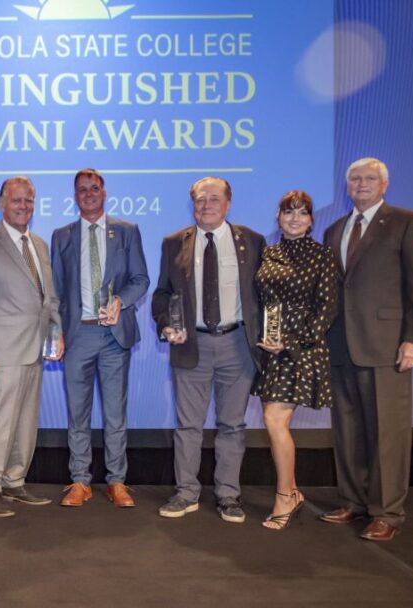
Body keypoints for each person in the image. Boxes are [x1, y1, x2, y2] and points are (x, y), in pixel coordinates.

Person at [321, 158, 413, 541]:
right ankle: (353, 502)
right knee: (348, 430)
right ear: (347, 186)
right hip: (341, 345)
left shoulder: (406, 222)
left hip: (388, 346)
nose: (361, 184)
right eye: (355, 179)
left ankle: (387, 512)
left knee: (388, 432)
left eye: (370, 178)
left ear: (384, 184)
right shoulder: (335, 229)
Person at [151, 176, 265, 523]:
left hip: (237, 345)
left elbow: (265, 295)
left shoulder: (252, 241)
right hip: (191, 345)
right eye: (200, 200)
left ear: (228, 204)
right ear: (193, 205)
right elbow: (161, 294)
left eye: (214, 199)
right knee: (188, 426)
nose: (206, 205)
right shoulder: (174, 244)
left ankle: (228, 496)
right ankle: (186, 493)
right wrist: (165, 325)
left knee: (232, 425)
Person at [0, 176, 63, 517]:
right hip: (1, 352)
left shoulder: (39, 244)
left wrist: (57, 332)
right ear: (1, 203)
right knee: (2, 422)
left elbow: (48, 297)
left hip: (35, 348)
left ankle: (13, 481)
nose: (24, 206)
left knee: (25, 422)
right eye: (17, 200)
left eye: (29, 201)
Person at [51, 169, 149, 508]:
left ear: (104, 193)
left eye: (94, 188)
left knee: (114, 414)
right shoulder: (61, 236)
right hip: (78, 335)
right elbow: (57, 292)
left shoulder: (127, 231)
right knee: (77, 413)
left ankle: (117, 481)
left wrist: (121, 300)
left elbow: (140, 279)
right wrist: (56, 333)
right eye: (82, 190)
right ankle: (80, 481)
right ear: (75, 197)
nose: (89, 194)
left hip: (113, 334)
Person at [251, 190, 339, 530]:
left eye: (303, 213)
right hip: (270, 350)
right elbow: (264, 302)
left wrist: (290, 342)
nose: (295, 218)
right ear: (278, 216)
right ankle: (291, 492)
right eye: (289, 212)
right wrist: (269, 338)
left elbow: (327, 309)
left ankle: (286, 495)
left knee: (274, 420)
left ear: (312, 220)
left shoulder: (322, 256)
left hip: (302, 349)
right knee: (272, 420)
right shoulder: (268, 253)